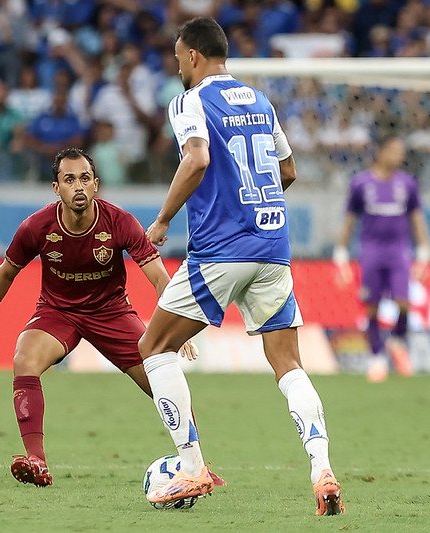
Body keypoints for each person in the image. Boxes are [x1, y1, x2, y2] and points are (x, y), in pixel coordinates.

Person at [136, 17, 345, 515]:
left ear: (191, 56)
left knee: (155, 346)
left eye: (177, 56)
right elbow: (288, 170)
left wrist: (163, 220)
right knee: (288, 364)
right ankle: (321, 470)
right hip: (273, 248)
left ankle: (191, 465)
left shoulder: (189, 101)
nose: (176, 65)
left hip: (218, 251)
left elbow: (198, 159)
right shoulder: (261, 101)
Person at [0, 148, 220, 488]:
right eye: (68, 180)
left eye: (84, 179)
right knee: (24, 358)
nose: (77, 186)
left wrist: (175, 329)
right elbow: (5, 274)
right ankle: (36, 460)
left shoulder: (120, 222)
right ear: (56, 189)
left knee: (163, 378)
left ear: (96, 184)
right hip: (58, 312)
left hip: (111, 313)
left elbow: (157, 276)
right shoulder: (36, 227)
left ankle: (197, 466)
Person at [333, 135, 430, 383]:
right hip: (372, 250)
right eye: (395, 151)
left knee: (404, 302)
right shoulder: (361, 183)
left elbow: (416, 218)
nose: (400, 156)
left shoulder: (407, 184)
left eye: (401, 151)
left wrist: (424, 252)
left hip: (399, 250)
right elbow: (349, 220)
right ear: (380, 151)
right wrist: (341, 253)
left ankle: (397, 342)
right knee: (372, 306)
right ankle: (377, 357)